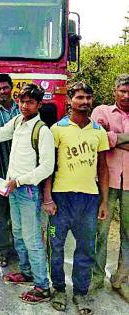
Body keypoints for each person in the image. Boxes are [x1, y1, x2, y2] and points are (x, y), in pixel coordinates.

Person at [0, 83, 55, 304]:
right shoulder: (18, 121)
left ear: (39, 104)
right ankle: (27, 272)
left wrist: (18, 181)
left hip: (27, 191)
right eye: (22, 101)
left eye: (30, 102)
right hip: (14, 189)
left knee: (32, 240)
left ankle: (42, 287)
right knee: (19, 234)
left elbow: (46, 168)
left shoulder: (42, 130)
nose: (24, 105)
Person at [43, 82, 109, 313]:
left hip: (89, 199)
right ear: (70, 100)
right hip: (61, 198)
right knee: (56, 245)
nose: (85, 102)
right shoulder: (57, 129)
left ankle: (80, 293)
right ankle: (59, 288)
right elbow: (49, 167)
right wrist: (48, 197)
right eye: (80, 97)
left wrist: (104, 201)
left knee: (86, 249)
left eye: (88, 98)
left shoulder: (98, 131)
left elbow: (103, 168)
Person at [91, 74, 129, 302]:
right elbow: (98, 138)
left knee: (128, 235)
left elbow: (109, 139)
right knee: (100, 233)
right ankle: (96, 278)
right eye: (122, 91)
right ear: (114, 91)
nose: (126, 95)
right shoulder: (101, 111)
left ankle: (121, 280)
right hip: (106, 181)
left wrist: (114, 138)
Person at [0, 73, 20, 267]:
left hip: (21, 175)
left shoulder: (23, 110)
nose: (2, 92)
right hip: (0, 172)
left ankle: (21, 249)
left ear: (11, 88)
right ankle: (2, 250)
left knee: (20, 214)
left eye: (5, 88)